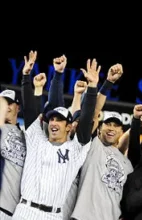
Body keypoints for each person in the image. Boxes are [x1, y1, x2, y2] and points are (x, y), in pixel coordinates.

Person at [12, 54, 98, 220]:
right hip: (25, 211)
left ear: (69, 126)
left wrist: (93, 87)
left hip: (53, 215)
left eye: (59, 120)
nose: (53, 123)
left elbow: (86, 120)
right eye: (51, 119)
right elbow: (30, 110)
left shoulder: (75, 149)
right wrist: (25, 77)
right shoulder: (36, 140)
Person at [0, 90, 26, 220]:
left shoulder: (26, 136)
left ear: (18, 107)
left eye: (9, 103)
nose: (6, 107)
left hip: (15, 212)